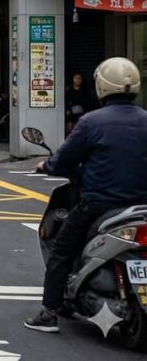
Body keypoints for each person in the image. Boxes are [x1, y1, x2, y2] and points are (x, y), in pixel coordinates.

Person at [24, 57, 147, 333]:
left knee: (61, 250)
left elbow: (63, 160)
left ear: (101, 86)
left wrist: (47, 164)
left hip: (99, 205)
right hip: (141, 207)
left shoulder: (91, 122)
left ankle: (49, 312)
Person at [64, 71, 98, 136]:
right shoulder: (68, 89)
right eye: (76, 78)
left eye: (79, 78)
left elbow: (88, 101)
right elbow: (66, 100)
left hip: (82, 113)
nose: (77, 80)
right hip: (71, 114)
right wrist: (67, 109)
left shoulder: (85, 90)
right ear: (73, 79)